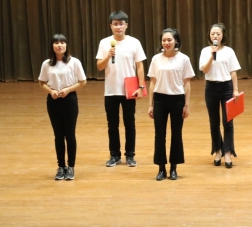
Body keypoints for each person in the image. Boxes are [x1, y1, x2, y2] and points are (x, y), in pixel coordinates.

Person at [96, 11, 147, 168]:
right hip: (111, 90)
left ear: (126, 25)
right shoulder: (105, 43)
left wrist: (141, 86)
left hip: (129, 89)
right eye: (115, 24)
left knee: (129, 123)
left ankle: (130, 155)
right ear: (110, 26)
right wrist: (108, 56)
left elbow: (140, 66)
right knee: (112, 124)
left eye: (121, 24)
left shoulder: (134, 42)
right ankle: (114, 155)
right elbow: (99, 67)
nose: (118, 27)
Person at [147, 28, 195, 181]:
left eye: (169, 40)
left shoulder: (184, 59)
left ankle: (174, 167)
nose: (166, 43)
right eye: (164, 40)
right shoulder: (156, 59)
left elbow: (187, 83)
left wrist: (186, 105)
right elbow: (152, 82)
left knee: (176, 133)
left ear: (176, 41)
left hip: (177, 100)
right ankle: (161, 168)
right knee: (159, 134)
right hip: (160, 100)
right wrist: (151, 104)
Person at [38, 34, 87, 181]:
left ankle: (71, 167)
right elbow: (42, 82)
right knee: (58, 135)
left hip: (69, 100)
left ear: (66, 45)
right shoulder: (47, 64)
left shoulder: (74, 62)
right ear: (52, 46)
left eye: (62, 43)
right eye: (56, 43)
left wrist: (68, 90)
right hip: (53, 101)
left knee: (70, 135)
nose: (59, 45)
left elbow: (82, 81)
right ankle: (61, 167)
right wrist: (51, 91)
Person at [199, 23, 241, 168]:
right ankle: (217, 150)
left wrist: (235, 90)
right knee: (214, 122)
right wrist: (212, 56)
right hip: (211, 87)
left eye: (218, 33)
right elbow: (205, 70)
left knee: (228, 122)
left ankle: (228, 151)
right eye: (213, 34)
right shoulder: (205, 51)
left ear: (223, 35)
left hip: (226, 87)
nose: (215, 36)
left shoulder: (229, 51)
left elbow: (233, 72)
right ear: (209, 36)